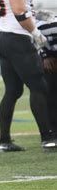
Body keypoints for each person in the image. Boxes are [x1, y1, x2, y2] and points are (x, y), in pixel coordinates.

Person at [0, 0, 56, 151]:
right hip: (18, 38)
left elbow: (17, 6)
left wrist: (37, 14)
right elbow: (19, 9)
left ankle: (4, 141)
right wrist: (35, 32)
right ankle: (48, 137)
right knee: (39, 87)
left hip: (3, 35)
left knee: (12, 91)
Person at [36, 11, 57, 145]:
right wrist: (45, 56)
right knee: (50, 94)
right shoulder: (48, 24)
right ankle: (52, 132)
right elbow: (35, 34)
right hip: (49, 55)